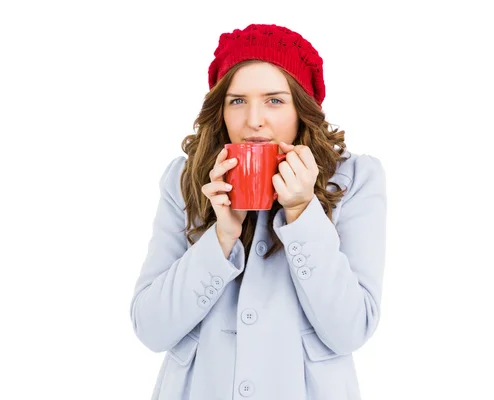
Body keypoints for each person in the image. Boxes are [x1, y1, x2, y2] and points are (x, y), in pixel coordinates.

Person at [129, 23, 387, 400]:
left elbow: (351, 329)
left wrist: (301, 212)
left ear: (302, 108)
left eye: (274, 100)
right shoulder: (184, 179)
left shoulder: (355, 178)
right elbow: (151, 329)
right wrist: (220, 237)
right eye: (237, 101)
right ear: (221, 110)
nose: (254, 120)